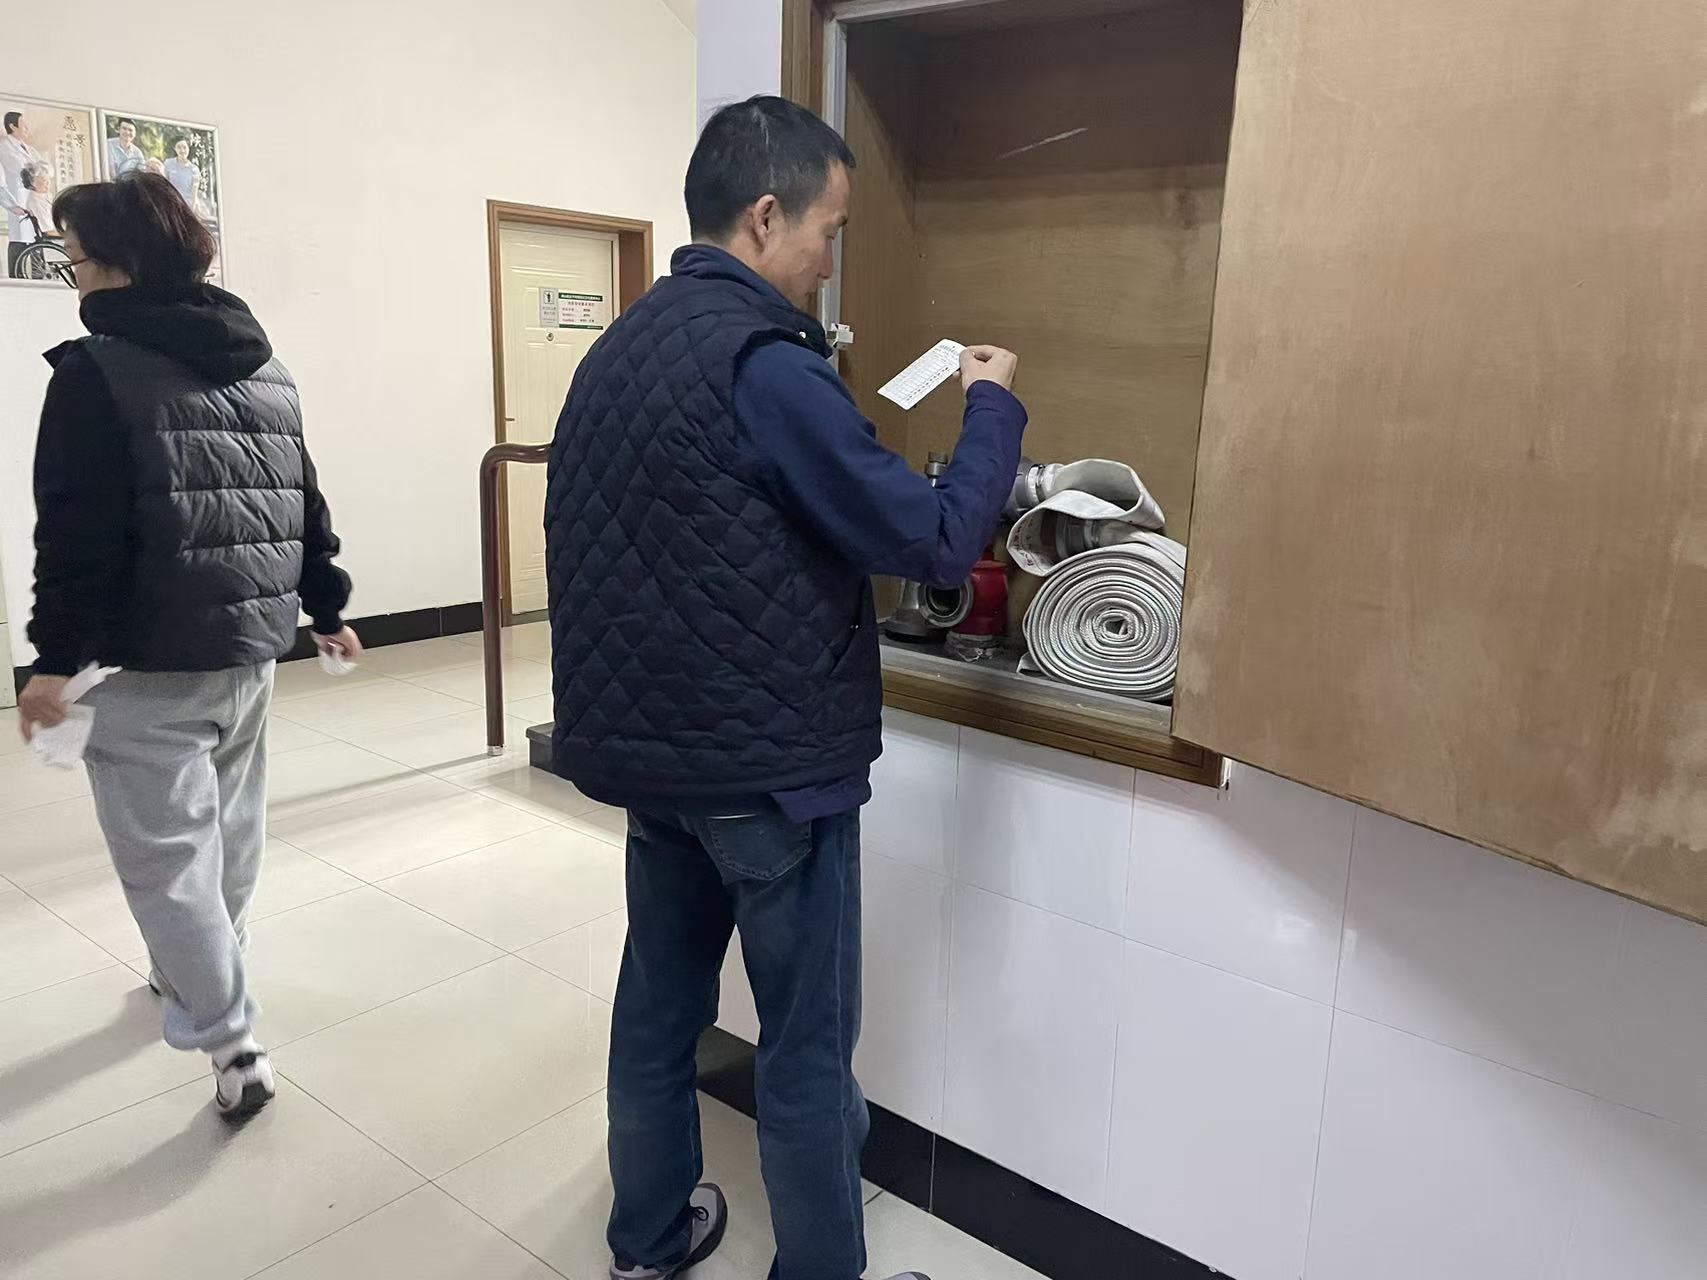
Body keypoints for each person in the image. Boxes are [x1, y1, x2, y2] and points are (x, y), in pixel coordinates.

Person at [544, 96, 1026, 1280]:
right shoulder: (765, 364)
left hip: (655, 766)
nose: (828, 260)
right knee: (805, 1048)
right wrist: (991, 406)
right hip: (770, 779)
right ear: (766, 216)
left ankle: (647, 1242)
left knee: (657, 1013)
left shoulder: (617, 352)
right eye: (829, 230)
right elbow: (933, 539)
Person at [15, 172, 361, 1121]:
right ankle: (199, 975)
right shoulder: (266, 364)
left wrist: (53, 662)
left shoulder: (95, 372)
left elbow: (75, 534)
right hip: (249, 648)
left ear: (120, 265)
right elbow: (305, 504)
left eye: (75, 261)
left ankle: (231, 1037)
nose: (74, 278)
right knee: (232, 831)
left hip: (142, 663)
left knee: (166, 859)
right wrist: (326, 607)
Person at [2, 109, 46, 274]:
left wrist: (37, 169)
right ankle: (16, 275)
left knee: (36, 237)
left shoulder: (28, 148)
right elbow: (17, 167)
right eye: (23, 124)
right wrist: (36, 168)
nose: (27, 127)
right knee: (19, 239)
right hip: (17, 198)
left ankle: (38, 274)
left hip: (32, 197)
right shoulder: (5, 146)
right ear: (12, 126)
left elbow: (45, 167)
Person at [164, 137, 200, 206]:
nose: (182, 150)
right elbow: (165, 184)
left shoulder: (194, 169)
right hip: (172, 202)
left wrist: (192, 208)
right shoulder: (168, 163)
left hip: (187, 204)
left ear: (188, 149)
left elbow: (194, 194)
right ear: (175, 149)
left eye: (184, 147)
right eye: (179, 147)